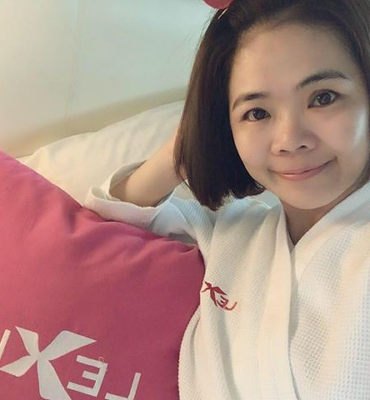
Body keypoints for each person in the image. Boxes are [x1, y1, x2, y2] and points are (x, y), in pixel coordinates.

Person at [83, 0, 370, 398]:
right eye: (257, 113)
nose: (290, 140)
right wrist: (188, 147)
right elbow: (101, 229)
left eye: (323, 97)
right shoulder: (229, 229)